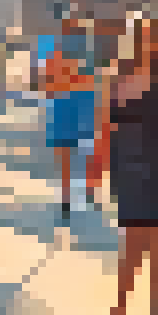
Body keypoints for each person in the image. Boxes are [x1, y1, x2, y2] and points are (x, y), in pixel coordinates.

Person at [88, 13, 158, 315]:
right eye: (141, 35)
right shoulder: (115, 77)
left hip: (157, 166)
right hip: (125, 169)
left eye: (152, 36)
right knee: (133, 244)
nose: (146, 42)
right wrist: (95, 170)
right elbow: (103, 126)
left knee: (156, 244)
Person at [45, 16, 99, 221]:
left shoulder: (58, 57)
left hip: (70, 106)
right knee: (80, 153)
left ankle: (73, 195)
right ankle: (80, 193)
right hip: (75, 106)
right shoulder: (84, 58)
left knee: (74, 155)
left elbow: (48, 85)